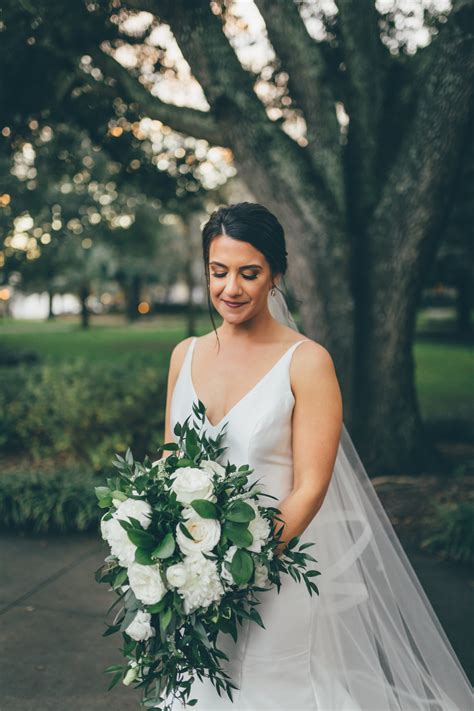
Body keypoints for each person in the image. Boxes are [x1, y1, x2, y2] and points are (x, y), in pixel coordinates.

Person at [163, 202, 473, 710]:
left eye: (249, 273)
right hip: (192, 579)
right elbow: (172, 461)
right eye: (218, 272)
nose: (231, 288)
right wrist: (174, 555)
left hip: (275, 573)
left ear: (276, 275)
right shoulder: (185, 353)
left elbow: (311, 484)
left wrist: (240, 566)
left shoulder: (305, 362)